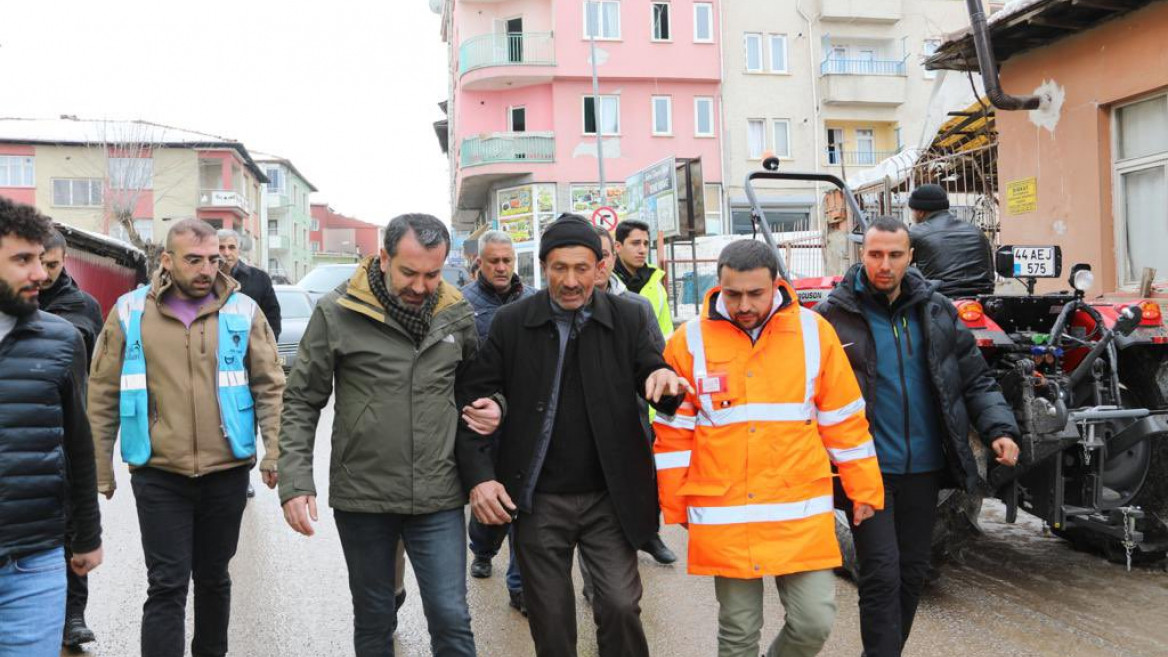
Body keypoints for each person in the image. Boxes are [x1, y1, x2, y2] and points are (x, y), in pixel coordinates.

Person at [456, 213, 688, 657]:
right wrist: (481, 478)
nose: (570, 280)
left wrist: (664, 377)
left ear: (600, 268)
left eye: (582, 268)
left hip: (610, 497)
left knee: (621, 605)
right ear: (544, 268)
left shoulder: (629, 319)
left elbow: (653, 370)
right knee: (551, 620)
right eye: (559, 268)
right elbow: (475, 400)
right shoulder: (511, 323)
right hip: (538, 498)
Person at [279, 213, 501, 657]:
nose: (421, 286)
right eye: (409, 272)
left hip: (438, 494)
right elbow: (303, 399)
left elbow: (477, 384)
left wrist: (497, 405)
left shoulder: (455, 312)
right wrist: (295, 480)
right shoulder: (337, 312)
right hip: (365, 497)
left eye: (433, 274)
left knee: (452, 620)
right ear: (383, 258)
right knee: (374, 618)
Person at [654, 239, 883, 657]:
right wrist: (675, 503)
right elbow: (673, 434)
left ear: (776, 285)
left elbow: (845, 420)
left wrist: (863, 487)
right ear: (718, 285)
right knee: (738, 633)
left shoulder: (815, 333)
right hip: (726, 512)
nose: (743, 304)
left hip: (798, 510)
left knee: (814, 622)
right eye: (732, 293)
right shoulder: (689, 342)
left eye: (755, 293)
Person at [815, 217, 1021, 657]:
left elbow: (974, 380)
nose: (884, 264)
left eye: (894, 254)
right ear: (862, 255)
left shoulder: (937, 311)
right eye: (875, 254)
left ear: (910, 257)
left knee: (911, 573)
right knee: (881, 575)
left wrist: (999, 429)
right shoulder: (832, 317)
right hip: (865, 471)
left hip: (923, 470)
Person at [88, 218, 284, 657]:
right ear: (167, 261)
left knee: (214, 579)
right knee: (167, 584)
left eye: (213, 259)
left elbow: (270, 386)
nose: (206, 270)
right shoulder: (128, 311)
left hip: (226, 471)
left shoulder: (242, 310)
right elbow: (101, 391)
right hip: (158, 472)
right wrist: (99, 466)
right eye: (194, 260)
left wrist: (275, 453)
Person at [0, 198, 103, 657]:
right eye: (22, 260)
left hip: (34, 561)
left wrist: (88, 536)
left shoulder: (61, 340)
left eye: (40, 260)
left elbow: (78, 444)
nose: (40, 273)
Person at [37, 228, 105, 649]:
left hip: (65, 429)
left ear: (64, 261)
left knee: (69, 530)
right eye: (34, 262)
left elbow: (78, 339)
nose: (43, 274)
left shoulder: (81, 306)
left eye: (52, 265)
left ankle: (73, 615)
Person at [459, 230, 534, 614]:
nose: (502, 267)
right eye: (494, 261)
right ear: (480, 264)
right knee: (491, 507)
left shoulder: (533, 301)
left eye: (508, 260)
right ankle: (483, 549)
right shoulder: (462, 306)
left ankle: (520, 586)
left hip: (523, 418)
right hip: (482, 422)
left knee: (523, 505)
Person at [593, 226, 676, 565]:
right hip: (590, 414)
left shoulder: (639, 301)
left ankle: (647, 534)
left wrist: (662, 379)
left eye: (603, 256)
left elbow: (657, 353)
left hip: (636, 410)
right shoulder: (564, 303)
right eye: (636, 243)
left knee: (642, 479)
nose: (642, 249)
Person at [906, 184, 996, 297]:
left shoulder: (917, 232)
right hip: (981, 298)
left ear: (920, 212)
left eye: (912, 210)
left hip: (939, 299)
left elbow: (899, 264)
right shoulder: (976, 232)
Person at [613, 219, 672, 339]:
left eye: (645, 244)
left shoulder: (656, 285)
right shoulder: (607, 282)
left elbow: (666, 334)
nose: (642, 250)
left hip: (651, 356)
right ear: (618, 247)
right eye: (635, 243)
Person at [218, 228, 281, 339]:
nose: (226, 253)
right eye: (221, 248)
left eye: (231, 247)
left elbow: (272, 317)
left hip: (251, 347)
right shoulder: (205, 280)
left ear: (239, 249)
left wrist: (267, 345)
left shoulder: (260, 279)